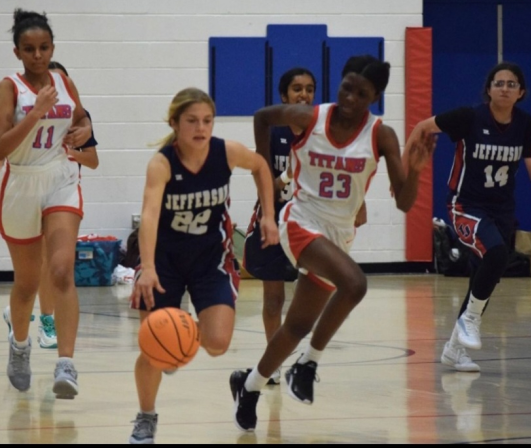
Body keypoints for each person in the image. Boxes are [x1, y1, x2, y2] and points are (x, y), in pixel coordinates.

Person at [229, 54, 436, 432]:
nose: (351, 97)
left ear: (374, 97)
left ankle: (249, 386)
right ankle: (307, 365)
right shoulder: (311, 117)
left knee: (295, 327)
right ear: (339, 82)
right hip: (301, 220)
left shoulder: (381, 135)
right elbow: (262, 117)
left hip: (339, 234)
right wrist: (266, 171)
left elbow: (405, 203)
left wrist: (417, 171)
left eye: (362, 93)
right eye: (346, 87)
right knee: (355, 284)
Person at [128, 87, 279, 444]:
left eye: (207, 120)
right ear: (175, 124)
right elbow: (149, 215)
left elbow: (260, 166)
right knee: (153, 349)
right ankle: (146, 417)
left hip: (210, 259)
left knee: (217, 343)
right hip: (162, 262)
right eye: (192, 121)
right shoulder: (162, 164)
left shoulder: (225, 152)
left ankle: (177, 336)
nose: (201, 128)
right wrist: (146, 267)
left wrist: (269, 216)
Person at [404, 61, 531, 373]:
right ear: (489, 89)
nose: (504, 88)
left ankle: (454, 350)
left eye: (511, 84)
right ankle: (469, 319)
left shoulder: (526, 124)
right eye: (499, 83)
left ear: (521, 92)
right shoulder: (469, 117)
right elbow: (421, 128)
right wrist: (403, 170)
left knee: (486, 275)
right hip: (465, 205)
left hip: (502, 209)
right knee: (495, 254)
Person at [0, 9, 92, 398]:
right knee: (27, 284)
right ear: (17, 51)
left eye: (44, 47)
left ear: (53, 47)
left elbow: (83, 121)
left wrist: (84, 132)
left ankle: (65, 364)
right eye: (29, 49)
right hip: (21, 183)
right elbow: (0, 146)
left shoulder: (63, 80)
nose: (38, 55)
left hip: (60, 179)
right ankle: (19, 346)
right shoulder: (9, 88)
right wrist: (35, 113)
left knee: (62, 270)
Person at [0, 60, 99, 350]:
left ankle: (45, 321)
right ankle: (24, 317)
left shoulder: (79, 116)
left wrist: (71, 152)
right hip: (30, 191)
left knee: (57, 266)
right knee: (32, 271)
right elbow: (5, 144)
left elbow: (93, 161)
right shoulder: (26, 108)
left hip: (62, 190)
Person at [242, 67, 316, 386]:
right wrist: (289, 173)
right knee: (274, 299)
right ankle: (271, 365)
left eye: (309, 89)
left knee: (312, 298)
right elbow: (266, 185)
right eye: (297, 89)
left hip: (311, 221)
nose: (304, 94)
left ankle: (306, 360)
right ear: (284, 96)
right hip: (275, 216)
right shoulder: (271, 132)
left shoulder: (321, 133)